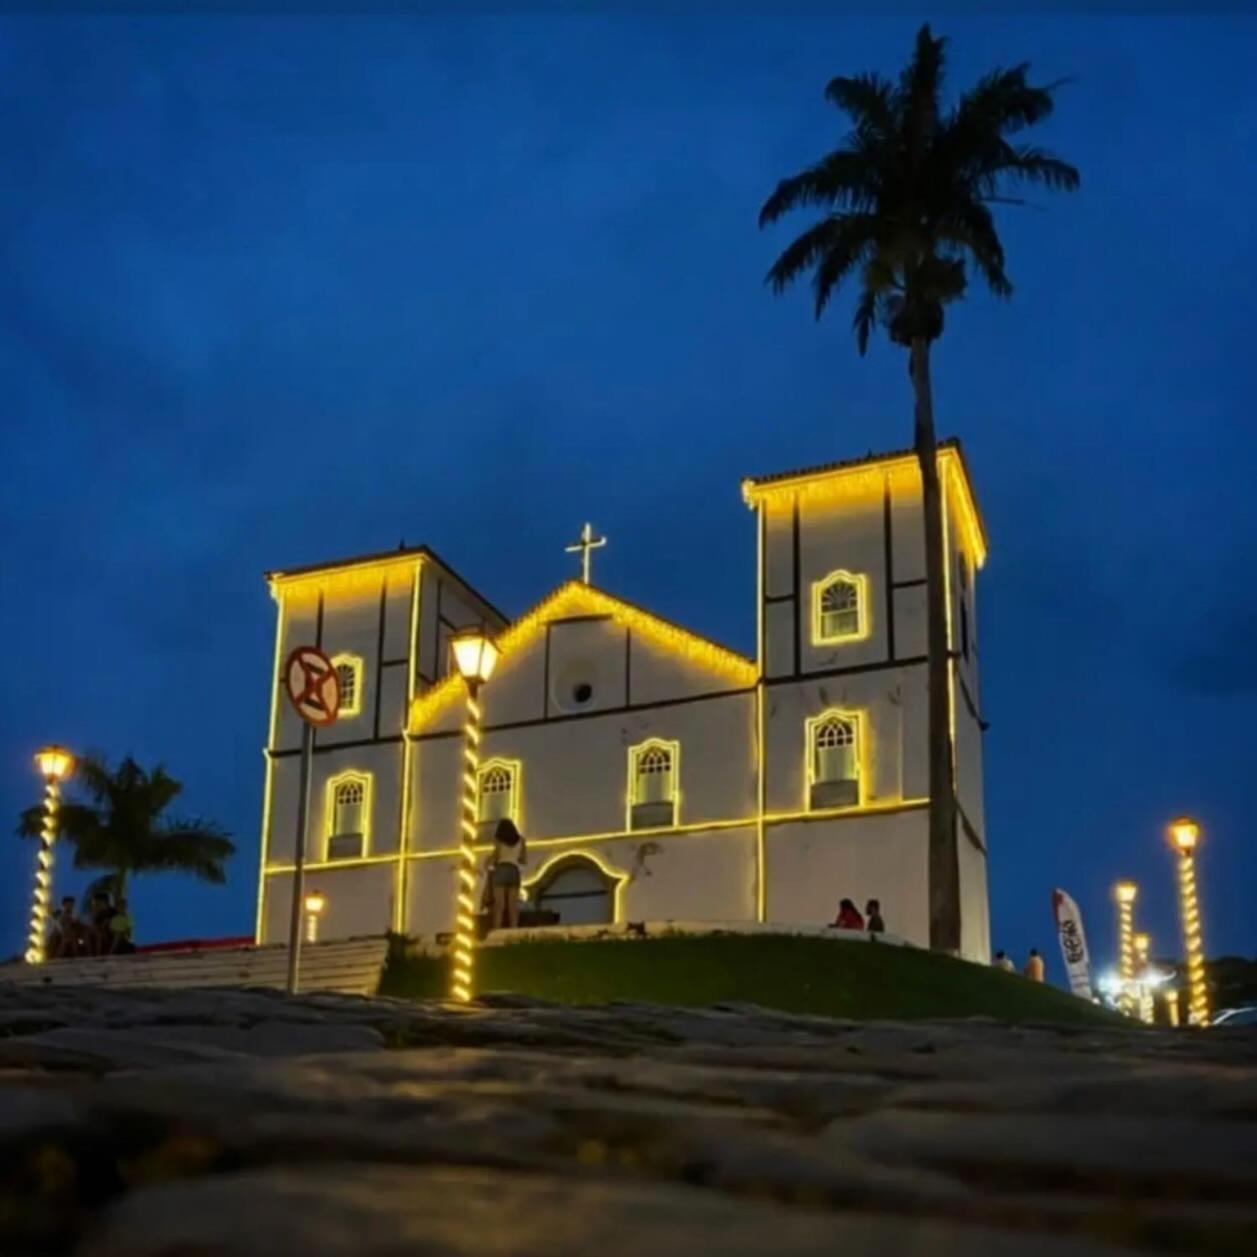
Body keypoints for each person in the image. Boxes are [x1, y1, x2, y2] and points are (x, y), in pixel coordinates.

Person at [488, 818, 527, 930]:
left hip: (501, 869)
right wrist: (514, 856)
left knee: (499, 905)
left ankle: (497, 930)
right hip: (514, 871)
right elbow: (523, 860)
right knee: (513, 906)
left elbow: (496, 857)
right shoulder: (521, 840)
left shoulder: (498, 840)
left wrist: (489, 861)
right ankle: (514, 929)